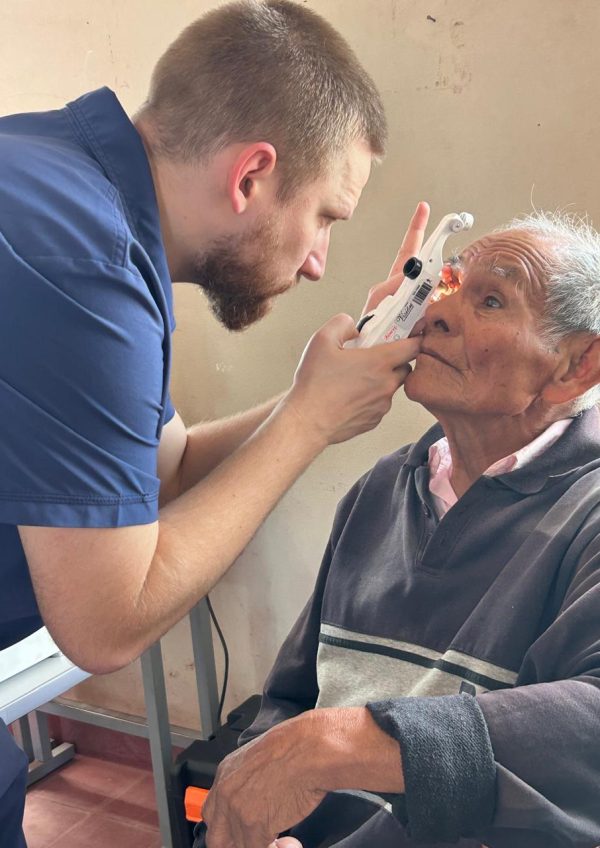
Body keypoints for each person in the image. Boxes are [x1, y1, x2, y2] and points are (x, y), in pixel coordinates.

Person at [0, 2, 427, 844]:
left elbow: (168, 466)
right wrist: (307, 425)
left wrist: (320, 391)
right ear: (251, 176)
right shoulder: (84, 266)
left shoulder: (66, 185)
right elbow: (106, 624)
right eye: (325, 217)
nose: (318, 261)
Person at [202, 212, 600, 848]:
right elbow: (292, 698)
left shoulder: (588, 513)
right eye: (445, 284)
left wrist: (331, 746)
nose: (436, 312)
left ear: (574, 367)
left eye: (491, 300)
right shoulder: (382, 488)